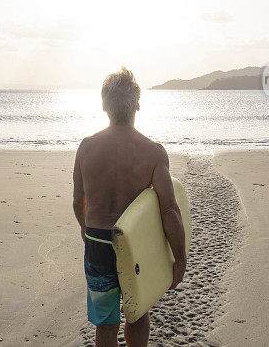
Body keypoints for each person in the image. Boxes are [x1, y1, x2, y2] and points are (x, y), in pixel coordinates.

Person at [72, 67, 187, 347]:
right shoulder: (152, 152)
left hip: (98, 243)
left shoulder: (86, 148)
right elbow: (169, 209)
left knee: (106, 323)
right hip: (134, 244)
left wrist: (88, 233)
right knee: (137, 312)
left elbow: (78, 202)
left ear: (103, 105)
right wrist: (180, 256)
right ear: (137, 104)